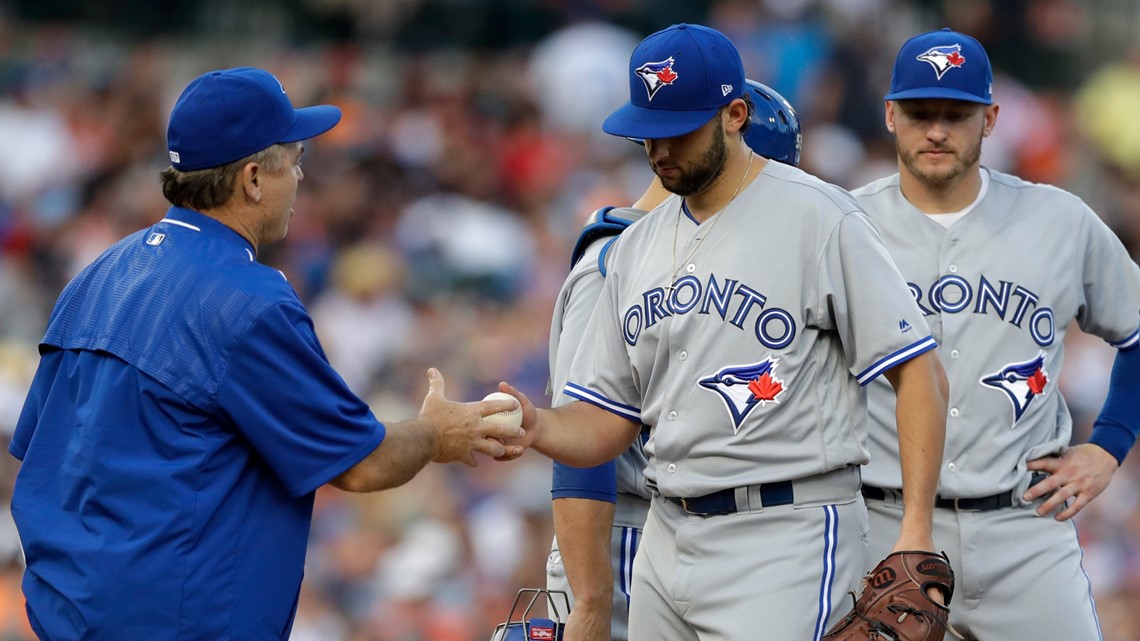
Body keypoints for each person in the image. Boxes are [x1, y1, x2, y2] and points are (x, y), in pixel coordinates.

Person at [7, 67, 524, 641]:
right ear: (253, 178)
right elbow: (362, 463)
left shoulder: (98, 274)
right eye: (296, 159)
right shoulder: (246, 299)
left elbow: (38, 453)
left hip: (68, 618)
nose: (301, 177)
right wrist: (434, 433)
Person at [500, 23, 950, 640]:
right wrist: (538, 426)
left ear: (735, 114)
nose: (660, 152)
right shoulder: (633, 249)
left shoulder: (820, 216)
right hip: (666, 532)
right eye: (647, 134)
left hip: (783, 531)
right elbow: (607, 423)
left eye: (678, 131)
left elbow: (917, 370)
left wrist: (916, 529)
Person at [853, 28, 1140, 640]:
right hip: (881, 526)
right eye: (920, 113)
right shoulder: (842, 225)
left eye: (956, 114)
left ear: (991, 118)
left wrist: (1109, 445)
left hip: (1025, 531)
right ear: (890, 115)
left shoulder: (1059, 221)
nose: (937, 130)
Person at [544, 79, 803, 641]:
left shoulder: (695, 259)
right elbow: (579, 444)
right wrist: (590, 599)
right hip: (619, 538)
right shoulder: (614, 263)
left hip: (678, 532)